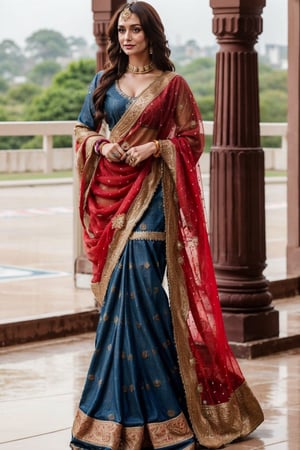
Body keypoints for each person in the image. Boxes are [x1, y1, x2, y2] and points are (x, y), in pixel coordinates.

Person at [70, 2, 264, 449]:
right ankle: (124, 411)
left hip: (153, 199)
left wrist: (156, 147)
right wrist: (101, 146)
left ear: (151, 35)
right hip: (110, 202)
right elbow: (82, 129)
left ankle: (166, 415)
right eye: (122, 29)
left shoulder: (172, 85)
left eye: (136, 29)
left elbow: (192, 139)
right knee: (122, 304)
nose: (126, 37)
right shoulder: (103, 82)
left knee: (140, 293)